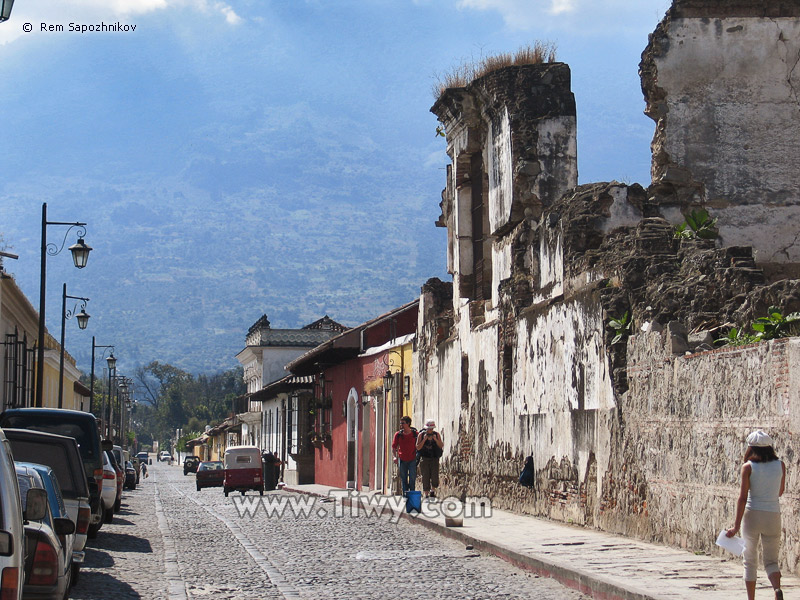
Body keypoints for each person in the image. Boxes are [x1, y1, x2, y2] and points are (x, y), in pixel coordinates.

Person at [726, 430, 786, 600]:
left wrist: (736, 526)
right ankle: (776, 590)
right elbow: (780, 491)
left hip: (752, 515)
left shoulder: (748, 467)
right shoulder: (780, 465)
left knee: (750, 561)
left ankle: (751, 599)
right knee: (771, 561)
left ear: (751, 448)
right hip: (773, 515)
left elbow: (743, 497)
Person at [416, 419, 444, 498]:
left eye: (431, 429)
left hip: (434, 457)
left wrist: (435, 439)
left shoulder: (436, 435)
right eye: (428, 429)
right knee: (425, 475)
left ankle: (433, 490)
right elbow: (418, 447)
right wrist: (424, 440)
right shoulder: (421, 435)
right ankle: (426, 493)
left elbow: (441, 445)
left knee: (435, 475)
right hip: (424, 458)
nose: (430, 430)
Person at [391, 416, 417, 494]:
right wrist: (394, 457)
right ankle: (405, 494)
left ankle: (412, 494)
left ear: (408, 423)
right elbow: (394, 447)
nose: (401, 425)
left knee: (412, 478)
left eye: (403, 423)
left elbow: (419, 445)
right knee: (403, 478)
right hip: (402, 460)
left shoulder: (415, 434)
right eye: (400, 423)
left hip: (412, 459)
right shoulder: (398, 434)